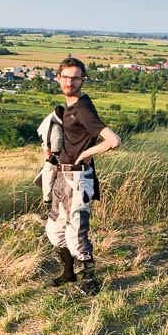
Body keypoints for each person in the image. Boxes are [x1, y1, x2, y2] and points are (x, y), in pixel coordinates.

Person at [41, 57, 121, 295]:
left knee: (76, 233)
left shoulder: (83, 109)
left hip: (77, 179)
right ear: (58, 78)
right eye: (65, 76)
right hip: (61, 177)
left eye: (75, 77)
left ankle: (88, 282)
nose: (69, 81)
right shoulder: (71, 106)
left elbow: (113, 141)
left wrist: (86, 153)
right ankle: (68, 273)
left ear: (82, 80)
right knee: (54, 230)